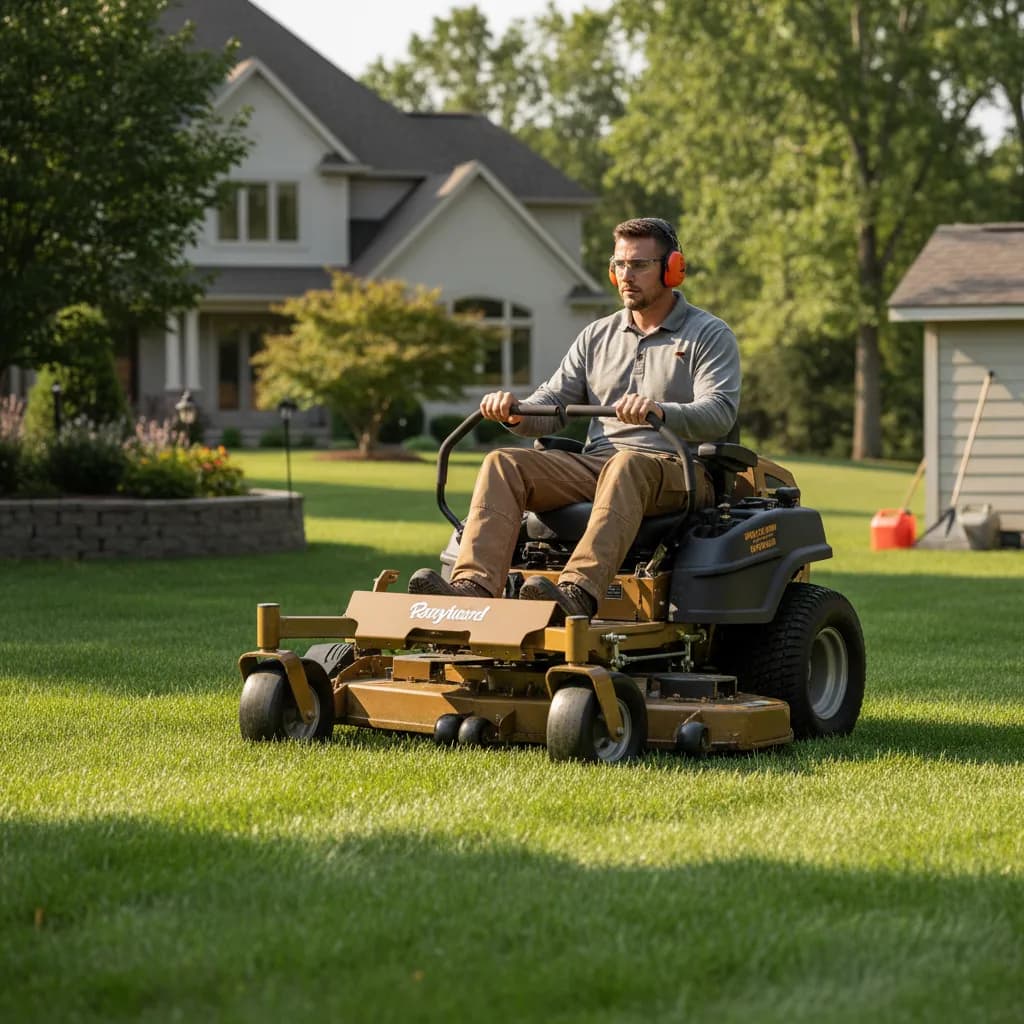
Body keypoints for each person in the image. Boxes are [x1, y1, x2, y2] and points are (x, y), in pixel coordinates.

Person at [409, 217, 741, 623]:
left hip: (676, 469)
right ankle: (472, 587)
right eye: (619, 265)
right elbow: (552, 403)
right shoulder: (596, 335)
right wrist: (516, 411)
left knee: (626, 464)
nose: (626, 276)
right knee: (504, 462)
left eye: (639, 265)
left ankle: (577, 591)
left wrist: (660, 410)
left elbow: (720, 412)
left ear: (672, 269)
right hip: (598, 464)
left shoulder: (708, 334)